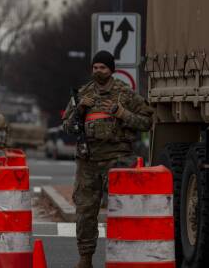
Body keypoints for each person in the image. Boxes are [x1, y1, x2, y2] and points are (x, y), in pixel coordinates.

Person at [62, 50, 153, 268]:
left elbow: (147, 122)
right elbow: (67, 127)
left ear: (111, 69)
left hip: (118, 160)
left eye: (102, 67)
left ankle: (122, 258)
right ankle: (85, 259)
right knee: (85, 212)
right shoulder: (82, 94)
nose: (98, 71)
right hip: (88, 162)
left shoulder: (125, 93)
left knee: (122, 210)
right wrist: (80, 110)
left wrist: (123, 114)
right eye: (95, 67)